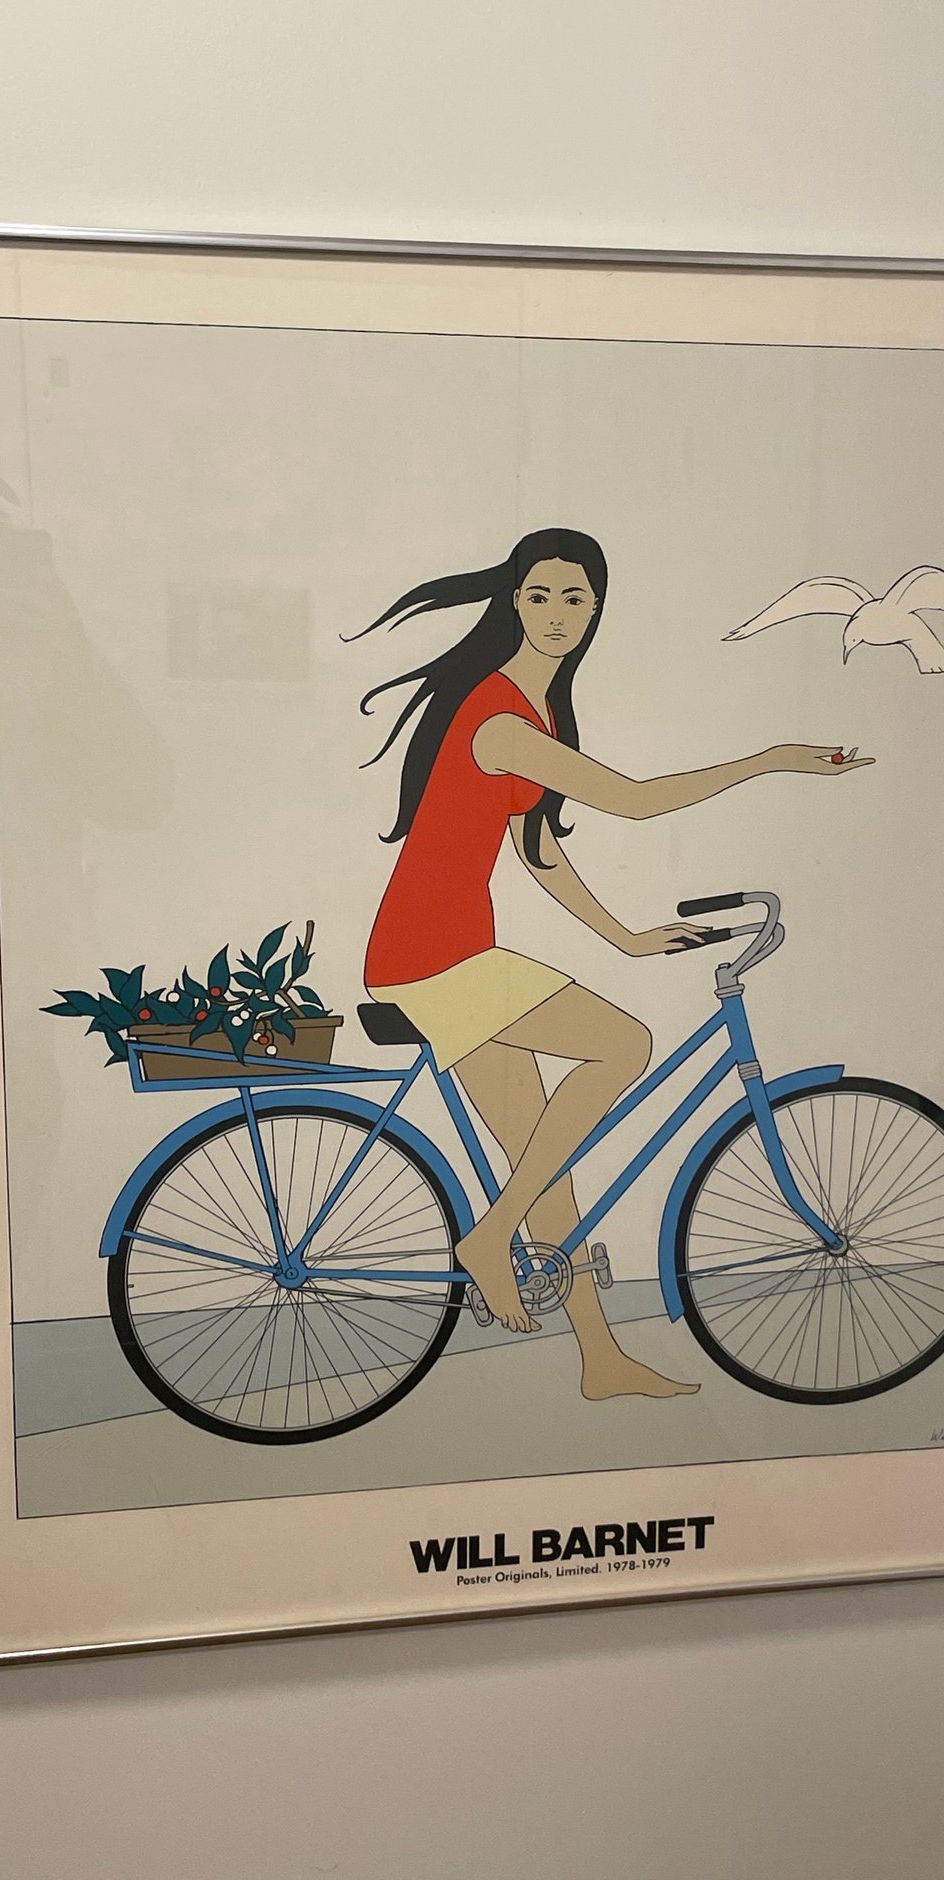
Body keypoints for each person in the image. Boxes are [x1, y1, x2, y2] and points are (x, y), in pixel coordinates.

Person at [355, 528, 871, 1397]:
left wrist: (627, 936)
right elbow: (633, 802)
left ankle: (599, 1358)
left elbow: (538, 849)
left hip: (447, 951)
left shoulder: (536, 708)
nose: (558, 615)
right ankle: (490, 1238)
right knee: (625, 1045)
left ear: (597, 608)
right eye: (540, 597)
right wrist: (773, 760)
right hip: (434, 955)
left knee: (543, 1159)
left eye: (576, 599)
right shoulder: (500, 717)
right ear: (513, 601)